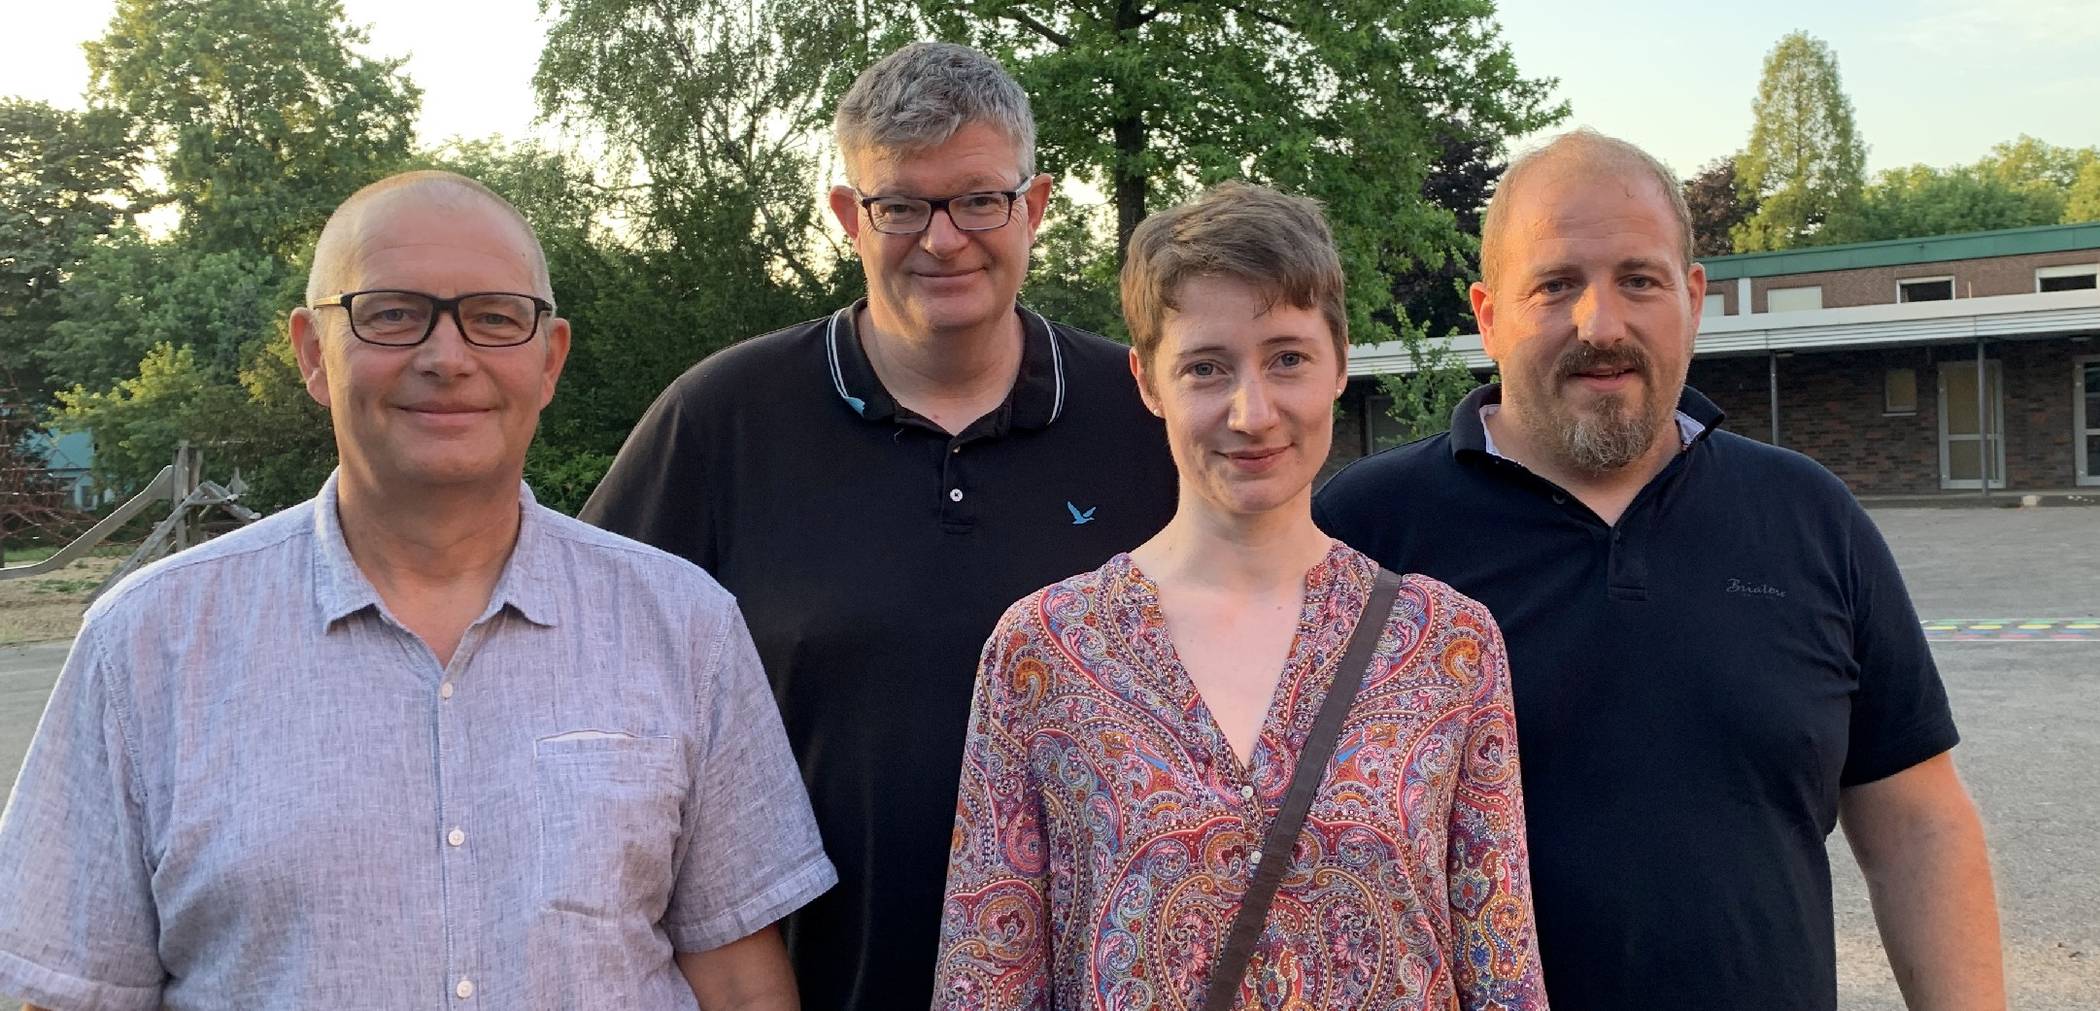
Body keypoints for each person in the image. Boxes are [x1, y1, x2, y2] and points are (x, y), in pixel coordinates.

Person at [0, 171, 834, 1010]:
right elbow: (75, 992)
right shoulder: (145, 644)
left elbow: (739, 981)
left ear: (549, 360)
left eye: (495, 317)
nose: (447, 358)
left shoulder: (684, 625)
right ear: (312, 353)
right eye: (392, 313)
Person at [1315, 130, 2005, 1010]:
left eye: (1639, 280)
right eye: (1555, 285)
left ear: (1693, 298)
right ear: (1488, 317)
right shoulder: (1366, 532)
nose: (1601, 324)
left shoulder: (1808, 517)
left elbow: (1918, 825)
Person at [578, 42, 1178, 1009]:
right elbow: (585, 673)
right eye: (901, 206)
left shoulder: (1147, 418)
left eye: (979, 200)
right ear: (848, 216)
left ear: (1035, 206)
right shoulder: (723, 419)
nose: (943, 240)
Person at [933, 182, 1545, 1010]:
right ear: (1149, 381)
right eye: (1206, 367)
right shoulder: (1044, 652)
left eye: (1287, 358)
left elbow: (1503, 971)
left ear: (1339, 361)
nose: (1252, 412)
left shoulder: (1449, 645)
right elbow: (987, 980)